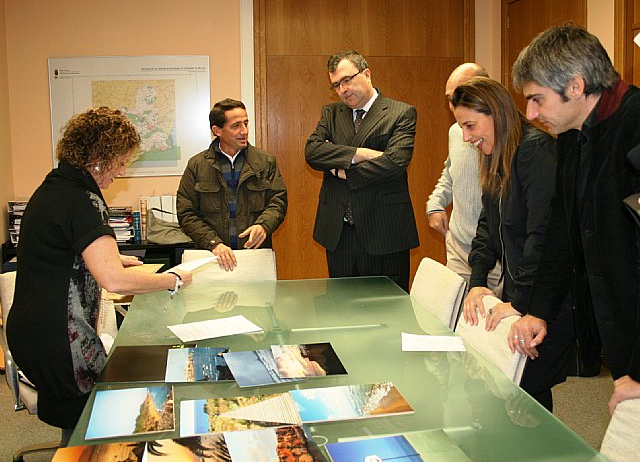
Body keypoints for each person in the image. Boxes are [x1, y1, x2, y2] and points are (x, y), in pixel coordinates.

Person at [6, 107, 193, 445]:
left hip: (34, 332)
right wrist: (173, 278)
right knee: (97, 424)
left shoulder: (53, 188)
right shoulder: (82, 199)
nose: (121, 172)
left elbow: (60, 249)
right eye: (120, 162)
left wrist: (111, 255)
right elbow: (115, 282)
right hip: (60, 340)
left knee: (80, 424)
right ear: (98, 158)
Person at [509, 23, 640, 413]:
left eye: (537, 100)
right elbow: (560, 234)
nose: (531, 114)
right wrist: (539, 311)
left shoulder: (635, 125)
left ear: (576, 86)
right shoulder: (570, 137)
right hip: (618, 326)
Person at [454, 77, 573, 411]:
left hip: (546, 300)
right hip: (521, 292)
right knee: (514, 392)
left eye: (470, 125)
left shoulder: (535, 150)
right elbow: (487, 227)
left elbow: (543, 235)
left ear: (495, 113)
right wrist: (477, 283)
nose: (466, 137)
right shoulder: (498, 156)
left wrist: (519, 302)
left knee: (526, 392)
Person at [305, 50, 419, 292]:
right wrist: (361, 154)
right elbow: (313, 152)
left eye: (347, 80)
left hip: (384, 231)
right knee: (341, 313)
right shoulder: (332, 113)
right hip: (339, 234)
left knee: (389, 311)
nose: (342, 90)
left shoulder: (401, 113)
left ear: (367, 74)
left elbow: (395, 163)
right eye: (336, 85)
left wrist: (339, 170)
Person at [177, 98, 287, 271]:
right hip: (212, 257)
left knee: (259, 299)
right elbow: (186, 213)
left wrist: (263, 225)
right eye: (236, 126)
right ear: (217, 130)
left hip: (255, 256)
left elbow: (278, 202)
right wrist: (213, 243)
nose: (244, 131)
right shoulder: (197, 165)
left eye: (246, 123)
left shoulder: (265, 162)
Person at [426, 63, 501, 293]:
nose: (456, 104)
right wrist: (435, 204)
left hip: (495, 255)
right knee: (455, 321)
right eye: (451, 98)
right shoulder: (455, 132)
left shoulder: (502, 137)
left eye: (463, 94)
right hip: (458, 248)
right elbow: (450, 172)